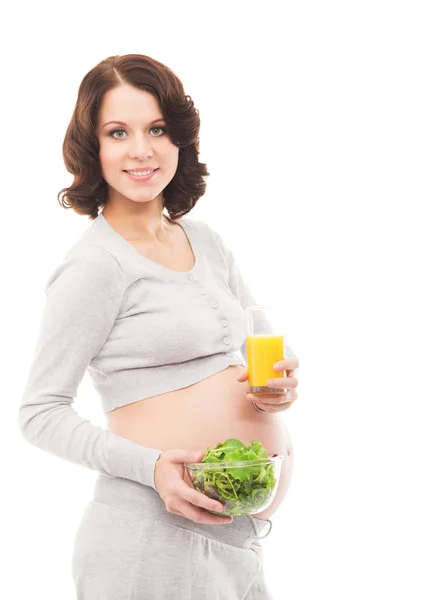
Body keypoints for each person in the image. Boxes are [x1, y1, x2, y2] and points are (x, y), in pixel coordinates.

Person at [19, 53, 300, 600]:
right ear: (92, 148)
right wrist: (151, 468)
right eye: (118, 132)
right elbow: (39, 412)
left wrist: (281, 387)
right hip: (150, 544)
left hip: (238, 541)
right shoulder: (94, 267)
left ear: (180, 140)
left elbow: (263, 349)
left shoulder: (207, 240)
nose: (141, 150)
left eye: (157, 129)